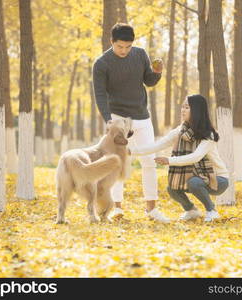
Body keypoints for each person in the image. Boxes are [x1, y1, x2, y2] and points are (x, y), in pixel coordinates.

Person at [92, 23, 169, 223]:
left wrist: (157, 72)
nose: (124, 51)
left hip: (142, 117)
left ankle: (151, 209)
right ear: (112, 42)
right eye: (120, 47)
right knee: (117, 163)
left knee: (149, 162)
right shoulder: (101, 63)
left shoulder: (140, 54)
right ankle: (117, 208)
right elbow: (100, 95)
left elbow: (149, 81)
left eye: (127, 47)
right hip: (118, 119)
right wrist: (110, 121)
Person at [130, 94, 229, 222]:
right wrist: (129, 151)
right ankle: (191, 211)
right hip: (195, 177)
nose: (183, 110)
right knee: (172, 188)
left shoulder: (208, 134)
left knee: (194, 183)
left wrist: (169, 161)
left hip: (218, 179)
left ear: (197, 110)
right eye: (182, 107)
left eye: (187, 107)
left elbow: (195, 157)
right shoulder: (180, 131)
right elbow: (156, 145)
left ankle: (211, 210)